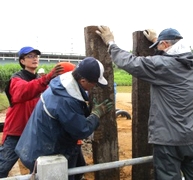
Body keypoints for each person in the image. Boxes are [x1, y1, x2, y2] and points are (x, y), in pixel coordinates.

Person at [96, 26, 193, 180]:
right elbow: (169, 56)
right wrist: (157, 41)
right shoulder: (192, 63)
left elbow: (130, 62)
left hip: (169, 140)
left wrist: (111, 43)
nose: (158, 50)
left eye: (159, 47)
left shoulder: (162, 65)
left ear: (166, 45)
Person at [15, 57, 113, 180]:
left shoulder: (65, 85)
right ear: (83, 80)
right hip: (45, 151)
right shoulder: (65, 99)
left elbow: (72, 114)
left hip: (43, 143)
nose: (94, 87)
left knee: (77, 168)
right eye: (94, 83)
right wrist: (96, 114)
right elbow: (81, 130)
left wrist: (87, 111)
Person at [0, 46, 73, 178]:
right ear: (22, 61)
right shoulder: (16, 79)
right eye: (30, 56)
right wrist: (47, 78)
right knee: (2, 166)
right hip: (17, 131)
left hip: (35, 132)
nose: (34, 59)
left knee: (37, 167)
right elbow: (23, 92)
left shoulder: (42, 79)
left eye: (36, 56)